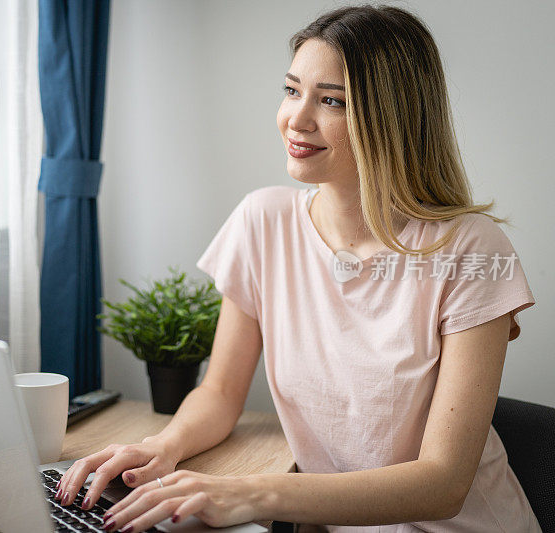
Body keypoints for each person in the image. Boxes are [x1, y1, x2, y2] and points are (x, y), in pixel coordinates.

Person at [55, 4, 540, 532]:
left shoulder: (469, 249)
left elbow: (443, 483)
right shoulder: (262, 221)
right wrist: (160, 448)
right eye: (292, 91)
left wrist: (253, 493)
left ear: (394, 119)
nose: (296, 118)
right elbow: (219, 393)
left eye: (331, 100)